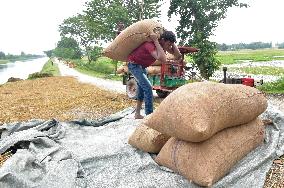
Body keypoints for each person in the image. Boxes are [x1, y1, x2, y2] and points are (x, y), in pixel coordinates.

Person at [127, 30, 182, 119]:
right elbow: (163, 59)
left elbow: (178, 56)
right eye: (168, 44)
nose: (169, 47)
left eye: (170, 45)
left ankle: (137, 114)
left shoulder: (163, 45)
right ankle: (150, 118)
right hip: (134, 65)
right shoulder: (150, 44)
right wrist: (156, 40)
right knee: (148, 87)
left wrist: (172, 42)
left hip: (142, 67)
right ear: (163, 40)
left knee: (142, 89)